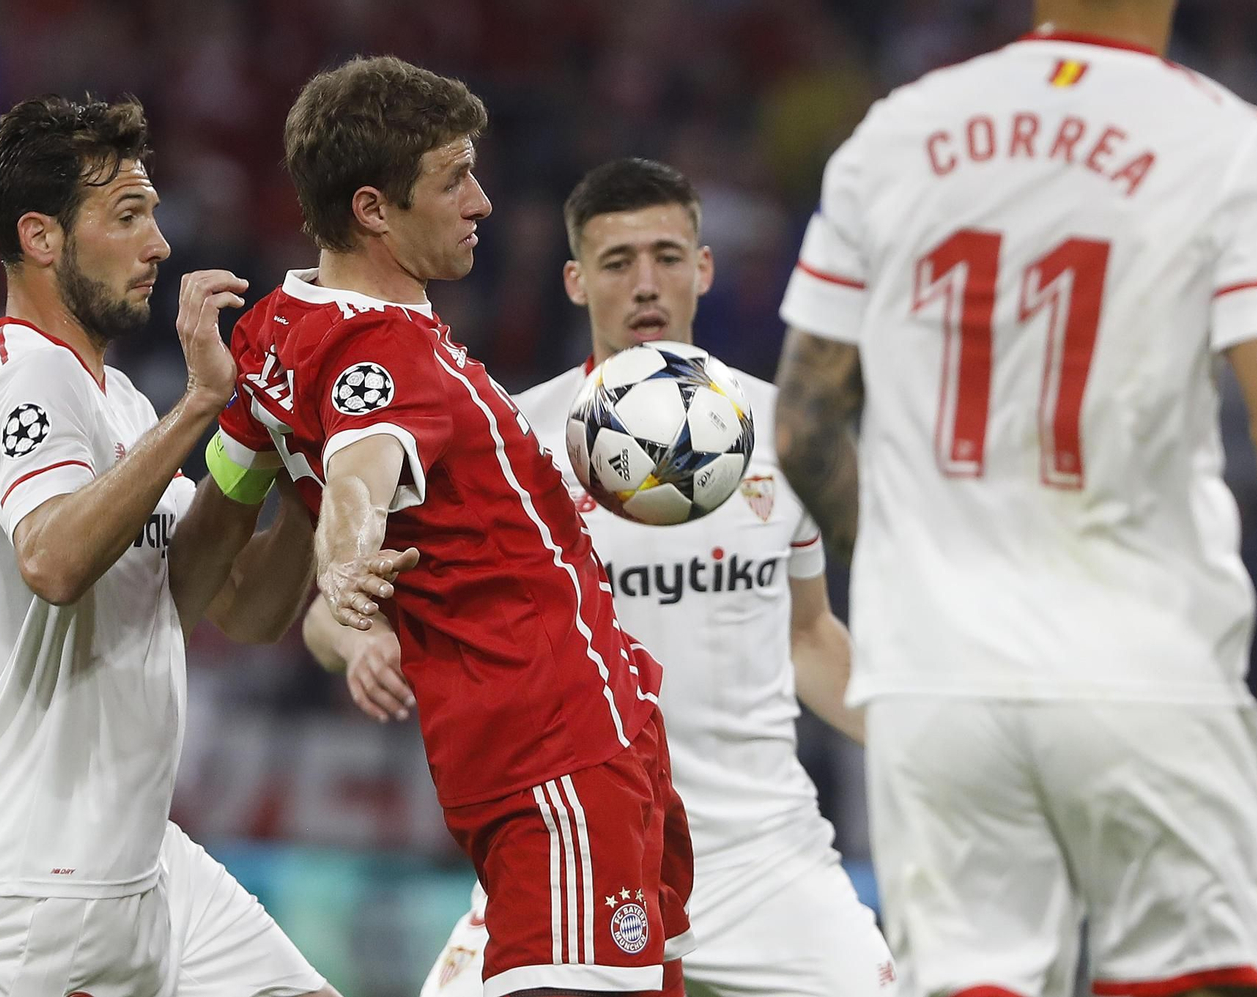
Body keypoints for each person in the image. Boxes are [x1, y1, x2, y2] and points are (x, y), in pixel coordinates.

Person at [772, 0, 1257, 994]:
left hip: (936, 686)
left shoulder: (893, 132)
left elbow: (806, 426)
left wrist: (920, 565)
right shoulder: (1230, 141)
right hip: (1141, 670)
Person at [306, 158, 899, 995]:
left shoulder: (782, 432)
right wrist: (357, 635)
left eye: (667, 256)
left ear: (704, 269)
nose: (646, 284)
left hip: (766, 855)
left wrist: (920, 737)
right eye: (619, 263)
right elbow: (327, 615)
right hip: (568, 838)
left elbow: (809, 636)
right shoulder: (508, 436)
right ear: (577, 282)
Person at [216, 58, 693, 997]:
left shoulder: (278, 329)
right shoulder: (383, 349)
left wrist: (343, 611)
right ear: (373, 210)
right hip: (558, 754)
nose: (480, 201)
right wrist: (347, 561)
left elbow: (255, 582)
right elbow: (362, 467)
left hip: (559, 747)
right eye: (453, 178)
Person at [0, 93, 336, 997]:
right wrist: (200, 405)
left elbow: (235, 605)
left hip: (138, 858)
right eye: (127, 216)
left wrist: (287, 453)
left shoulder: (115, 405)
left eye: (153, 213)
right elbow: (54, 561)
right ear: (41, 237)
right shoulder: (22, 378)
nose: (159, 243)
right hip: (49, 877)